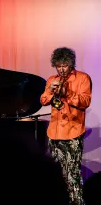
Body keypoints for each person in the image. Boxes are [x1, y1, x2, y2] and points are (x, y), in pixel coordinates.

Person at [40, 47, 92, 205]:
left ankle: (77, 202)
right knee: (56, 174)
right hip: (54, 133)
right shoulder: (51, 79)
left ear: (71, 64)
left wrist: (67, 93)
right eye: (58, 65)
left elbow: (85, 102)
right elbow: (43, 100)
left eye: (65, 65)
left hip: (73, 132)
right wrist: (50, 90)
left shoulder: (82, 78)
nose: (61, 69)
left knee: (72, 173)